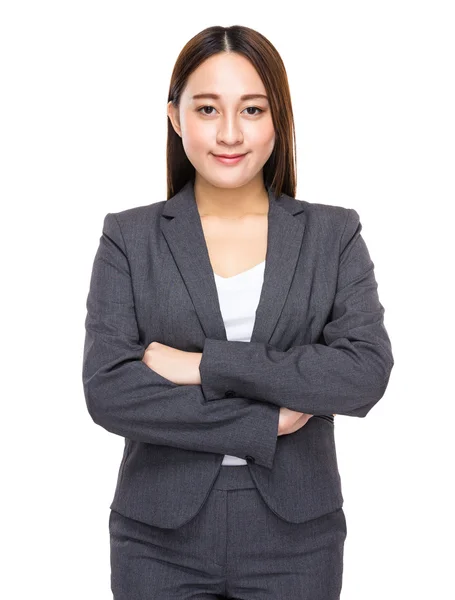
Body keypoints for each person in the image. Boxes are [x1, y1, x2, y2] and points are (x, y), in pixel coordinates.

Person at [82, 24, 394, 600]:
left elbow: (362, 375)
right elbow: (110, 390)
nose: (229, 133)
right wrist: (262, 421)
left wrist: (205, 365)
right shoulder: (129, 237)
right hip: (158, 537)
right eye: (207, 109)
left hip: (297, 537)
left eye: (252, 109)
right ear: (175, 118)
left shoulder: (333, 235)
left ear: (280, 118)